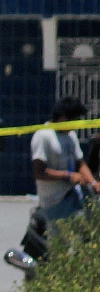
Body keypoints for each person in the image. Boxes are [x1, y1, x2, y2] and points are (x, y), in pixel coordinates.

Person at [32, 96, 97, 224]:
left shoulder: (71, 136)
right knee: (65, 240)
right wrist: (67, 175)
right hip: (55, 202)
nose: (77, 126)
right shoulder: (44, 136)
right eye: (75, 121)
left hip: (73, 195)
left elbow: (80, 163)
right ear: (63, 118)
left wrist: (93, 183)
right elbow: (39, 172)